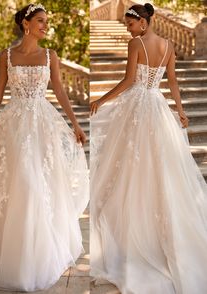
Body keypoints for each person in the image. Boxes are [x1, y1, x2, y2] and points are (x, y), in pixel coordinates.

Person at [90, 3, 207, 294]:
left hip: (139, 107)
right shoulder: (168, 46)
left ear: (143, 22)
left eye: (130, 24)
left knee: (133, 167)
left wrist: (101, 100)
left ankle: (136, 237)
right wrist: (179, 110)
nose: (128, 29)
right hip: (158, 107)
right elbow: (173, 82)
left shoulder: (137, 44)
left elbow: (130, 81)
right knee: (158, 167)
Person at [0, 3, 89, 292]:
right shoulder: (6, 56)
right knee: (18, 183)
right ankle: (15, 254)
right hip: (12, 126)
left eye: (45, 21)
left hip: (42, 127)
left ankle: (38, 253)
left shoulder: (51, 55)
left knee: (40, 183)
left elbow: (60, 90)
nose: (45, 26)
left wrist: (75, 124)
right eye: (40, 21)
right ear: (26, 24)